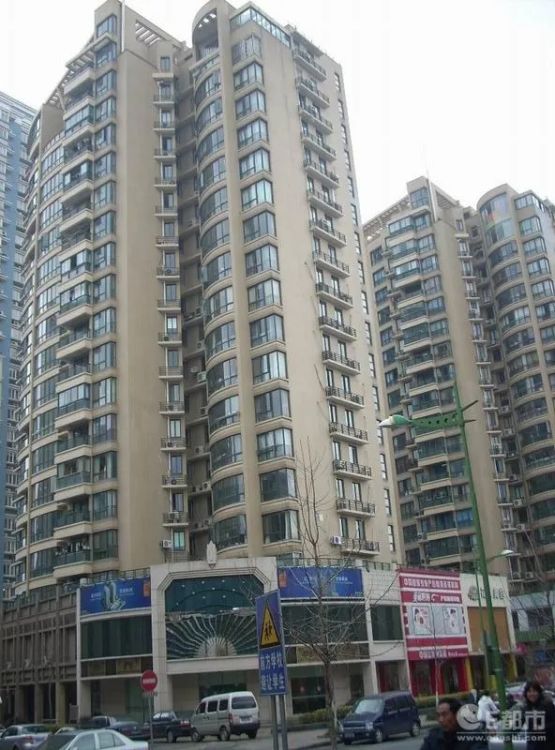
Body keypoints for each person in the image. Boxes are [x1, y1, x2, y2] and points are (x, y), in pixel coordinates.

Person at [420, 698, 487, 750]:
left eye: (444, 714)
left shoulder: (473, 736)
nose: (441, 719)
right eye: (438, 715)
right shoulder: (433, 737)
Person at [517, 680, 555, 750]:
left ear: (539, 692)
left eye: (534, 691)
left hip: (548, 744)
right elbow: (519, 722)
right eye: (529, 691)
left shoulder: (547, 705)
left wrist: (542, 728)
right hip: (533, 744)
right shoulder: (526, 707)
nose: (532, 694)